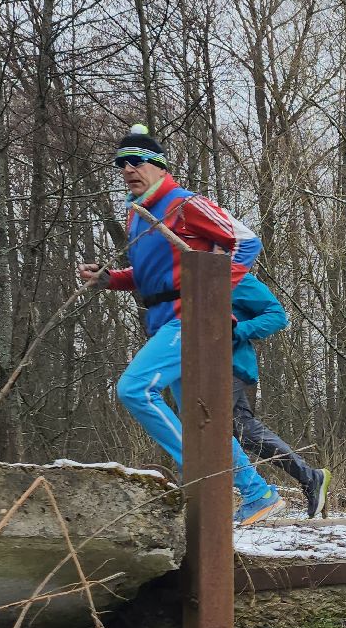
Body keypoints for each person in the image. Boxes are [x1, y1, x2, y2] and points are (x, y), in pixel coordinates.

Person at [77, 124, 285, 527]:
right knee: (200, 422)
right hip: (163, 322)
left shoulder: (183, 203)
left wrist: (213, 290)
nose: (127, 170)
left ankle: (205, 479)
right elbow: (149, 275)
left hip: (190, 320)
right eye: (121, 165)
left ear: (157, 165)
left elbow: (246, 240)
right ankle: (259, 493)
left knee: (135, 389)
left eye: (135, 162)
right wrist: (109, 279)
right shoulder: (138, 214)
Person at [228, 269, 331, 518]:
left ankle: (258, 495)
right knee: (245, 432)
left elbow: (277, 316)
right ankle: (310, 478)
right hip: (203, 367)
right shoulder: (183, 273)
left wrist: (234, 331)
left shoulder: (233, 276)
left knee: (207, 430)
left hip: (228, 364)